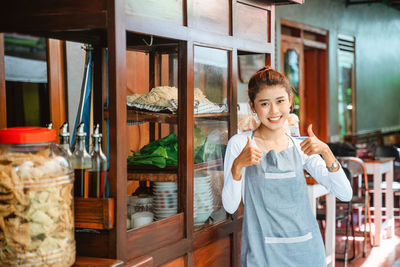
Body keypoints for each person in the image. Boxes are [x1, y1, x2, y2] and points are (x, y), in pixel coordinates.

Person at [222, 67, 352, 267]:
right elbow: (230, 207)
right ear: (253, 106)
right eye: (264, 104)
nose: (274, 111)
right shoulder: (241, 144)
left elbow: (345, 194)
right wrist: (238, 166)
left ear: (290, 101)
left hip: (306, 251)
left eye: (280, 101)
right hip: (262, 253)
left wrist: (326, 152)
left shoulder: (300, 146)